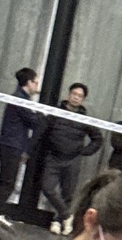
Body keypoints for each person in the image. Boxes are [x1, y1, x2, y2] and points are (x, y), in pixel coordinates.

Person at [35, 82, 102, 224]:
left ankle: (59, 221)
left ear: (83, 99)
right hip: (53, 157)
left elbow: (97, 139)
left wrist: (84, 151)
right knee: (47, 188)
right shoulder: (55, 113)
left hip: (72, 160)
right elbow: (41, 132)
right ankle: (66, 215)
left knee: (68, 193)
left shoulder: (85, 119)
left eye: (80, 96)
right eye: (74, 94)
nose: (76, 98)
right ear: (68, 95)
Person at [0, 67, 44, 208]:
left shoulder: (21, 98)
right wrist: (42, 115)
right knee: (8, 181)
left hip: (12, 143)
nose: (37, 87)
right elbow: (33, 120)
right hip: (12, 144)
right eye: (35, 83)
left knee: (5, 179)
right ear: (29, 82)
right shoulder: (20, 100)